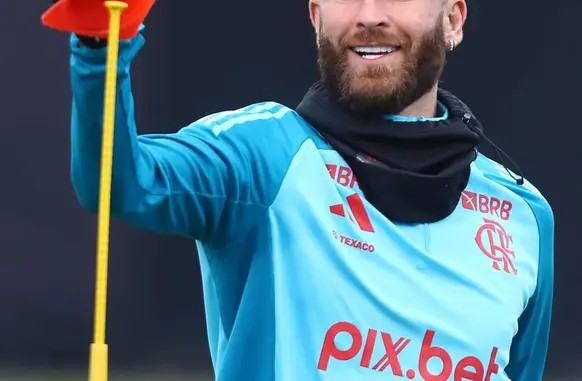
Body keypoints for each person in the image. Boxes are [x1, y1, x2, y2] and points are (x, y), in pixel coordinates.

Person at [65, 0, 554, 379]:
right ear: (316, 15)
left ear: (454, 19)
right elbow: (117, 182)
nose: (369, 16)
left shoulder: (524, 214)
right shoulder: (264, 153)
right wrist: (100, 38)